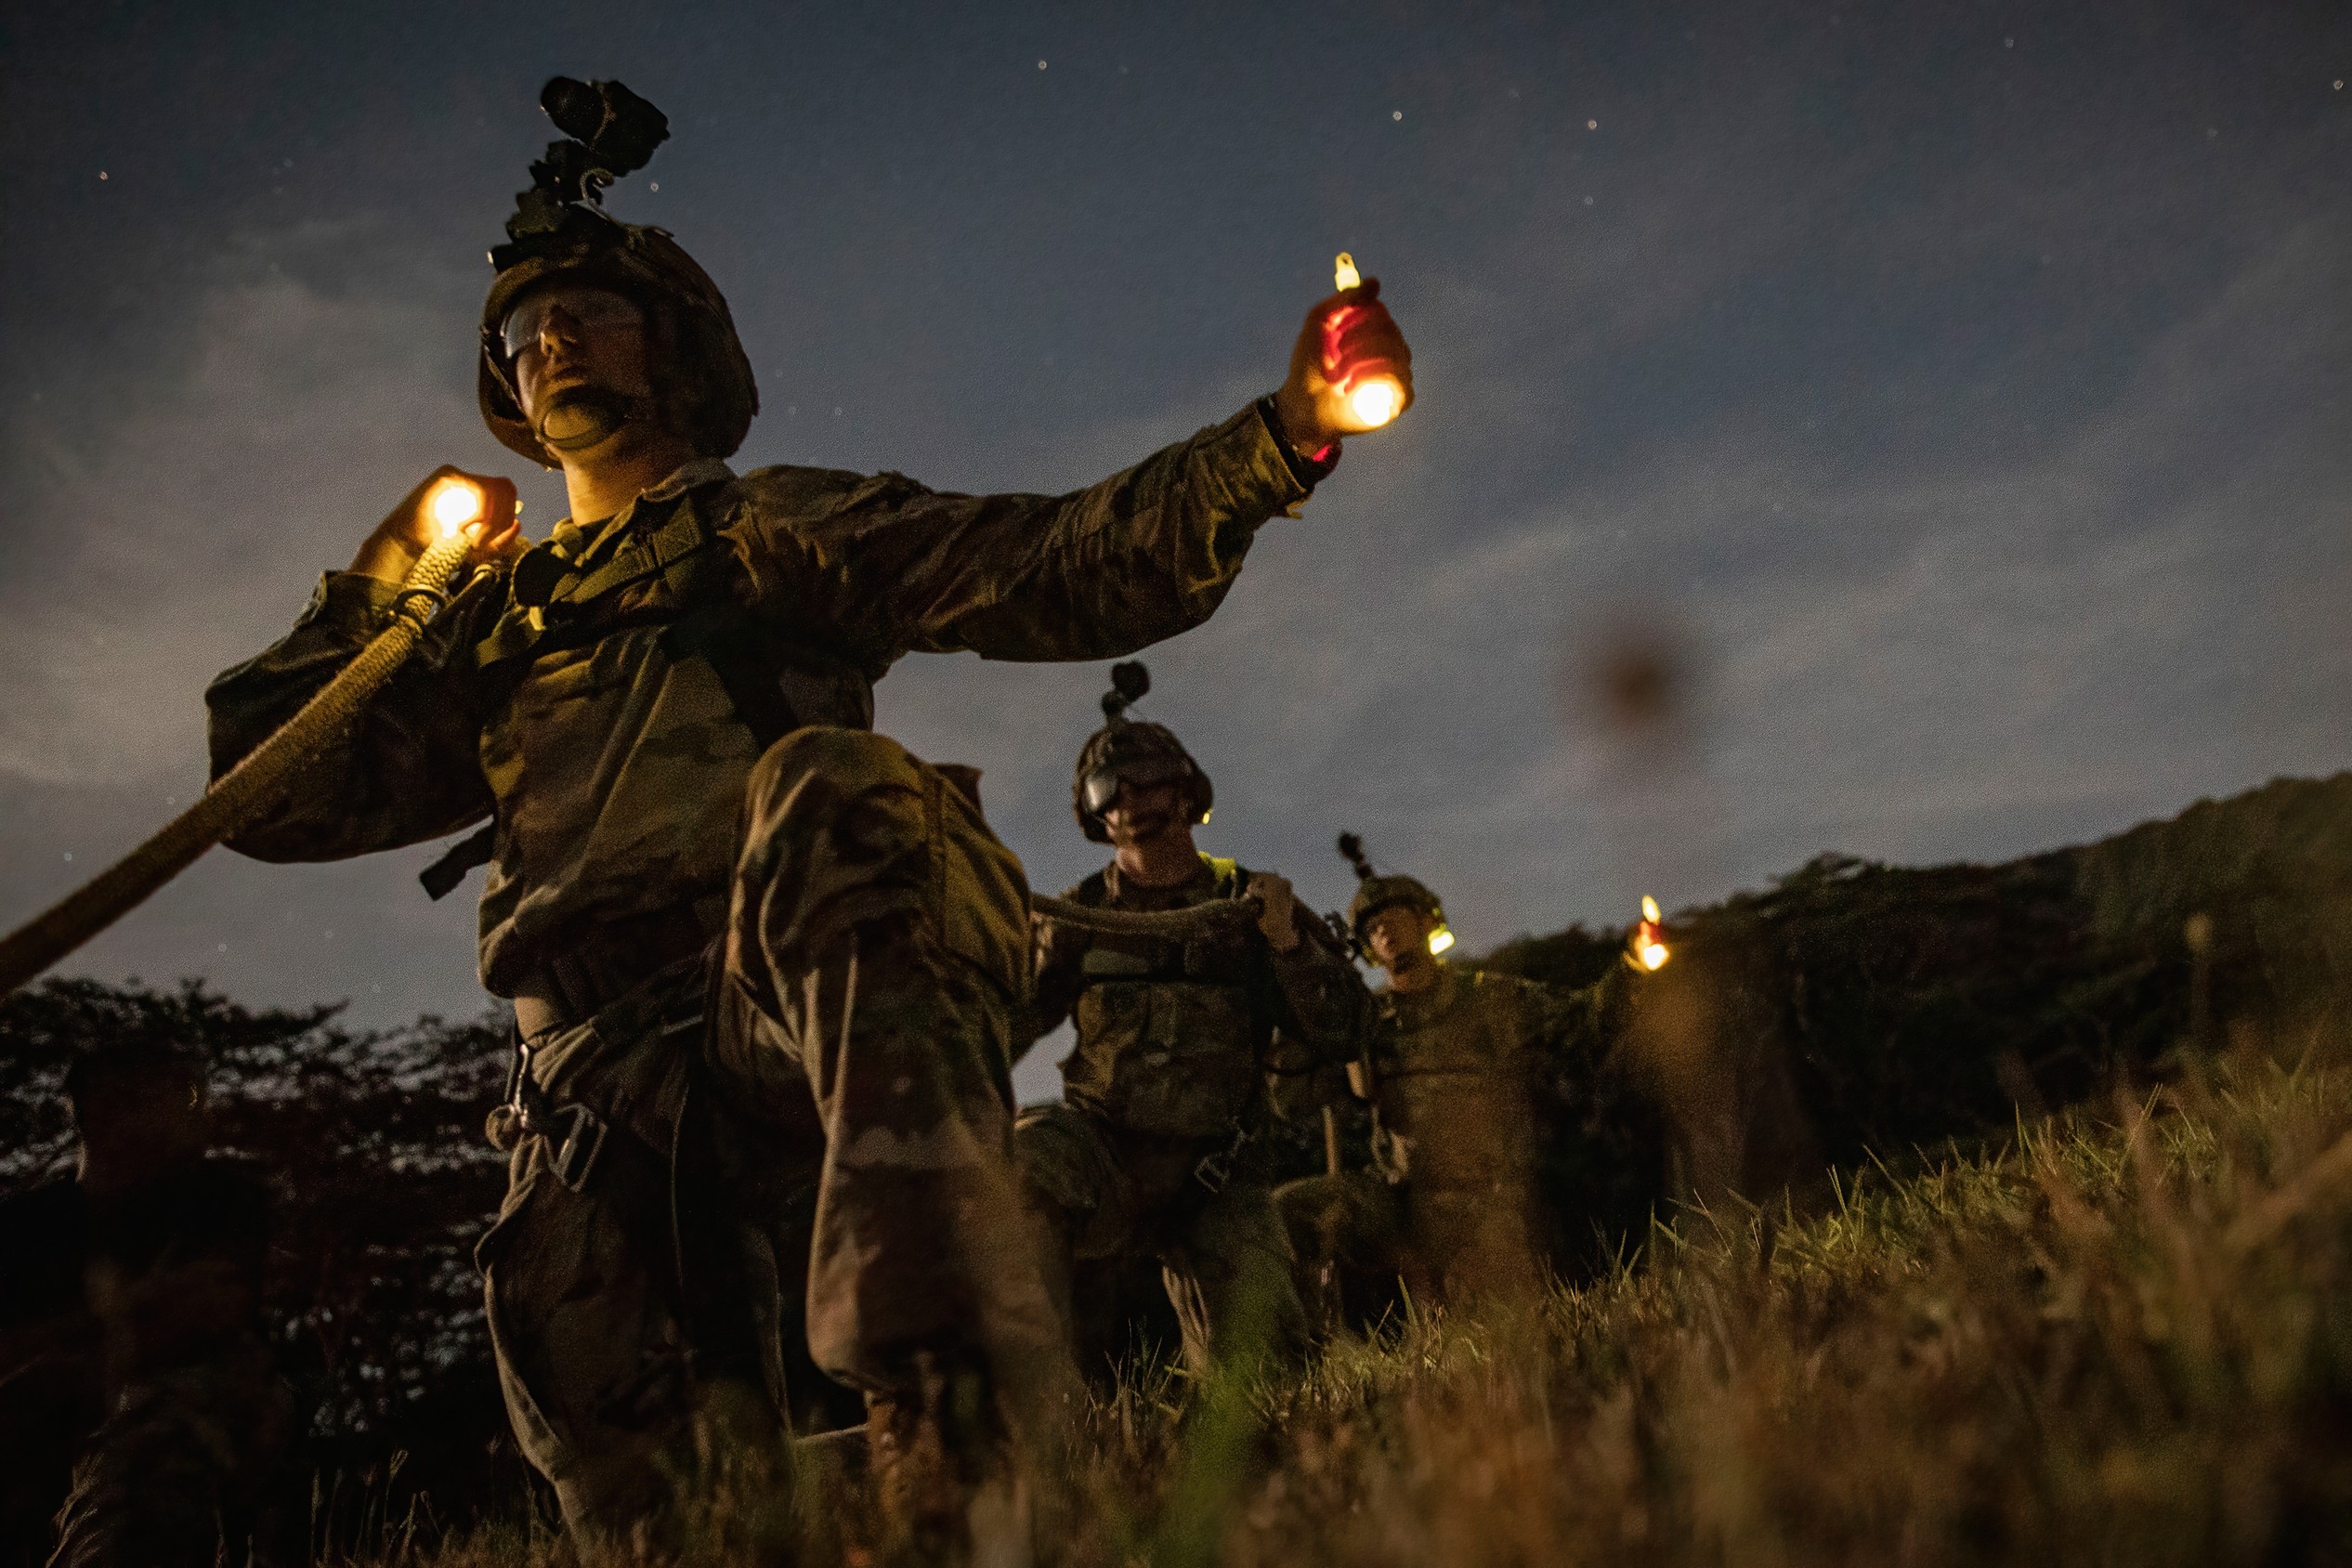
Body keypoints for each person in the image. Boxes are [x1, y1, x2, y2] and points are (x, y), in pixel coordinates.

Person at [203, 76, 1412, 1556]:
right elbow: (267, 798)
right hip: (582, 1098)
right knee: (679, 1531)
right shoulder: (488, 628)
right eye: (524, 333)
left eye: (590, 311)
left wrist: (1280, 438)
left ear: (679, 347)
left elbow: (1049, 563)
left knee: (847, 798)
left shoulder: (769, 525)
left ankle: (947, 1419)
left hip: (783, 1008)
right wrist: (381, 587)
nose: (554, 340)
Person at [1015, 665, 1366, 1379]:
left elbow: (1346, 1032)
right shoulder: (1072, 915)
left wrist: (1290, 947)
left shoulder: (1253, 904)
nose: (1133, 801)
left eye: (1148, 781)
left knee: (1269, 1388)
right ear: (1096, 817)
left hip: (1219, 1174)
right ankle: (1026, 1411)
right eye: (1110, 793)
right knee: (1019, 1173)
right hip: (1102, 1154)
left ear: (1184, 792)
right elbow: (1002, 1026)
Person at [1277, 839, 1590, 1316]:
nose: (1386, 932)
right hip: (1400, 1200)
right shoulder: (1364, 1022)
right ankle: (1307, 1352)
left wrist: (1636, 971)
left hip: (1487, 1199)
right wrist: (1299, 997)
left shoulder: (1486, 1000)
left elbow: (1581, 1022)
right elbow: (1294, 1093)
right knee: (1289, 1214)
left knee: (1494, 1329)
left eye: (1396, 919)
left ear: (1426, 922)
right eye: (1374, 928)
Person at [40, 1039, 290, 1568]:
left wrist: (66, 1339)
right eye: (179, 1097)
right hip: (49, 1430)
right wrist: (134, 1309)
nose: (199, 1113)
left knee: (165, 1425)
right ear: (100, 1112)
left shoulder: (218, 1198)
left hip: (168, 1421)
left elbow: (211, 1314)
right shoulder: (29, 1225)